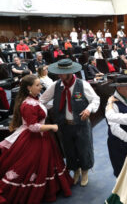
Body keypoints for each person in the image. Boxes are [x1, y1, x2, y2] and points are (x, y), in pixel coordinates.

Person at [0, 75, 73, 203]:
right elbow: (33, 127)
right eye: (38, 85)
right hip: (33, 139)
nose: (41, 87)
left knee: (45, 164)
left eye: (40, 84)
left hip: (41, 137)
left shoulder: (33, 99)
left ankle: (49, 189)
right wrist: (52, 126)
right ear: (29, 87)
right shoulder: (28, 104)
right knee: (30, 166)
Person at [40, 59, 100, 187]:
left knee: (84, 149)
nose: (59, 75)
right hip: (64, 125)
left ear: (70, 72)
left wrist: (89, 109)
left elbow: (95, 99)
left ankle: (85, 172)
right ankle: (75, 170)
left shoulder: (82, 84)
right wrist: (54, 105)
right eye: (59, 73)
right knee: (69, 150)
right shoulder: (55, 86)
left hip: (81, 125)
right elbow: (41, 101)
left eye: (62, 73)